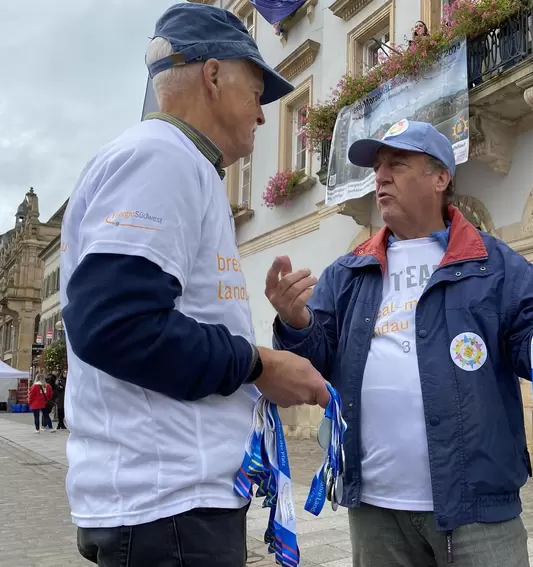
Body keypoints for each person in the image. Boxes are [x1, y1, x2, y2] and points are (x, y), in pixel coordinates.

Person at [266, 119, 533, 566]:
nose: (380, 176)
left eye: (397, 163)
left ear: (440, 177)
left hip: (476, 508)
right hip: (374, 506)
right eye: (378, 167)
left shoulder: (493, 262)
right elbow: (317, 365)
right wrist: (295, 322)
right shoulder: (348, 271)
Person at [60, 4, 329, 566]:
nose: (262, 116)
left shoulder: (180, 165)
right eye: (256, 91)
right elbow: (116, 326)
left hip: (172, 504)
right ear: (212, 76)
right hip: (166, 508)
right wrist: (261, 366)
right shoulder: (161, 158)